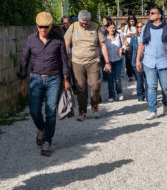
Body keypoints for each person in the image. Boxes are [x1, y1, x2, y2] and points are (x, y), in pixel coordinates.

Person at [18, 12, 71, 157]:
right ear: (37, 26)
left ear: (50, 26)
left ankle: (47, 141)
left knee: (51, 110)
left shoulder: (58, 39)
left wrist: (66, 79)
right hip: (36, 79)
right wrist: (23, 81)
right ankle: (41, 129)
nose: (43, 29)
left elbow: (64, 60)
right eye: (40, 27)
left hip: (54, 79)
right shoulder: (31, 40)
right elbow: (24, 61)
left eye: (46, 27)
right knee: (34, 110)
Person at [64, 10, 111, 120]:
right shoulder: (73, 27)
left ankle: (95, 106)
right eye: (82, 23)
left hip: (93, 62)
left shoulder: (95, 26)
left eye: (86, 23)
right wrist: (64, 60)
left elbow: (103, 45)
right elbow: (66, 44)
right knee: (81, 88)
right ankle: (82, 111)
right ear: (78, 20)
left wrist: (107, 62)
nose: (84, 25)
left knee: (95, 85)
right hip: (77, 62)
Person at [136, 6, 167, 120]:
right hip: (149, 62)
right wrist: (138, 59)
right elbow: (141, 44)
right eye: (149, 12)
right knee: (151, 87)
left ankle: (166, 105)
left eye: (152, 13)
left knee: (165, 87)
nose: (150, 14)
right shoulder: (146, 28)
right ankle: (153, 110)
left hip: (164, 62)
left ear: (159, 15)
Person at [103, 21, 125, 101]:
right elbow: (101, 47)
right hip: (108, 61)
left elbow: (125, 44)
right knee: (110, 79)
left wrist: (122, 48)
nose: (112, 29)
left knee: (117, 78)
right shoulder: (104, 37)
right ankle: (111, 95)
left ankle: (119, 92)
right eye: (110, 28)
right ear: (107, 28)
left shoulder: (119, 35)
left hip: (118, 60)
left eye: (113, 28)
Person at [130, 22, 146, 101]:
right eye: (138, 27)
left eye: (141, 26)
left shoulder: (148, 37)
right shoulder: (134, 38)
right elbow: (131, 49)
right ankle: (140, 95)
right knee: (140, 79)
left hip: (147, 61)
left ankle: (148, 95)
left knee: (147, 79)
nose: (140, 28)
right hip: (135, 61)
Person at [122, 15, 138, 81]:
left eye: (133, 21)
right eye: (130, 21)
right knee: (128, 61)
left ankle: (136, 74)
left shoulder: (137, 26)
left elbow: (139, 33)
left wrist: (133, 34)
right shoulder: (126, 27)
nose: (132, 22)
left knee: (135, 60)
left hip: (135, 44)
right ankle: (130, 75)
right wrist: (127, 35)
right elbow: (123, 35)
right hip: (128, 45)